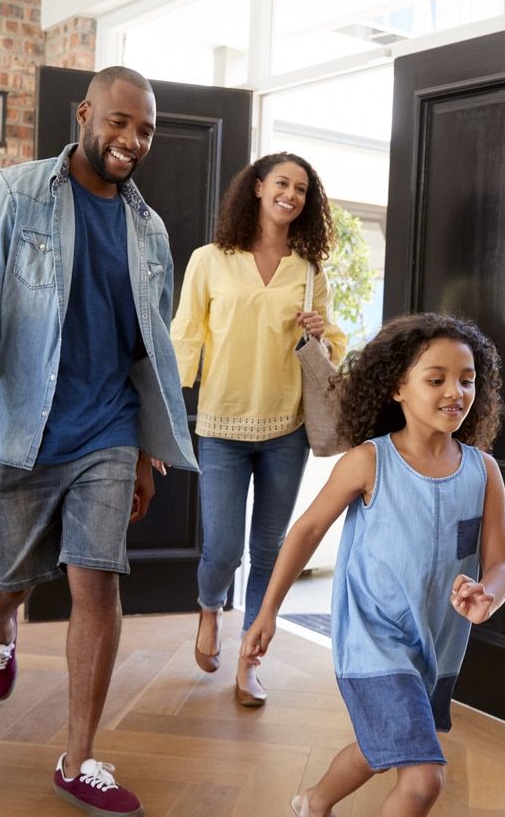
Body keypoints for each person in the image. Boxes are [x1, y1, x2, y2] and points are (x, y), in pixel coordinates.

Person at [0, 66, 197, 817]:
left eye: (145, 129)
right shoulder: (12, 195)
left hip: (108, 430)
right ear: (85, 113)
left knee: (96, 582)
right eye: (120, 121)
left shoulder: (149, 231)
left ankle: (79, 758)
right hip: (24, 430)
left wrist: (147, 449)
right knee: (12, 581)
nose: (132, 140)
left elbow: (147, 349)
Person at [240, 313, 505, 816]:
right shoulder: (369, 462)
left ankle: (313, 802)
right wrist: (267, 612)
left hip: (436, 648)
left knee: (383, 748)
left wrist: (488, 594)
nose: (455, 391)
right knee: (424, 778)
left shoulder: (484, 472)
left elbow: (501, 564)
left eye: (467, 380)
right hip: (371, 642)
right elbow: (305, 532)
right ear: (396, 389)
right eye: (436, 379)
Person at [171, 152, 347, 706]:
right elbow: (186, 337)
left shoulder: (309, 270)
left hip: (286, 428)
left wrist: (320, 333)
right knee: (222, 548)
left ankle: (250, 658)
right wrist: (167, 416)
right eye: (281, 183)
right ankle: (208, 609)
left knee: (269, 549)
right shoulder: (210, 260)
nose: (290, 194)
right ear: (257, 188)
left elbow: (332, 350)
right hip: (222, 424)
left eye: (300, 188)